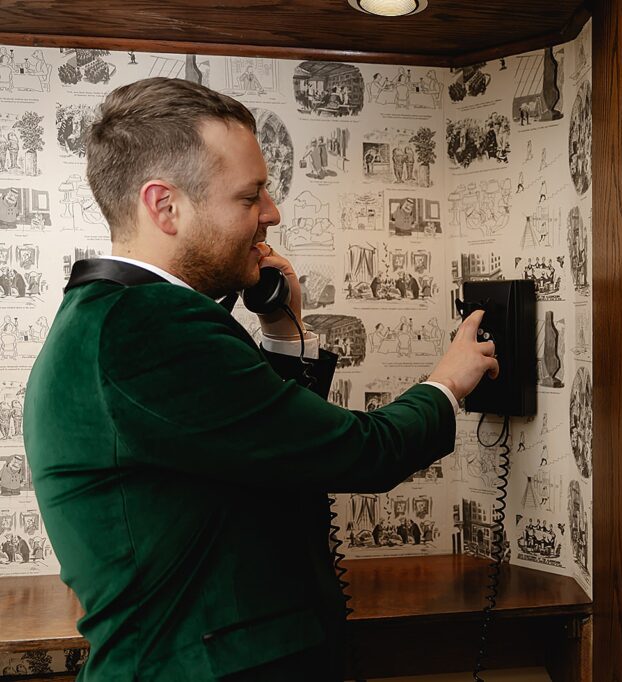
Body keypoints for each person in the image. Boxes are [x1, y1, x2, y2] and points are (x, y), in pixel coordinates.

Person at [24, 77, 499, 682]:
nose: (271, 213)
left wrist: (278, 330)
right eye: (250, 197)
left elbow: (269, 453)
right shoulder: (146, 327)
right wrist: (447, 383)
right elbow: (359, 453)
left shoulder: (115, 318)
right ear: (164, 205)